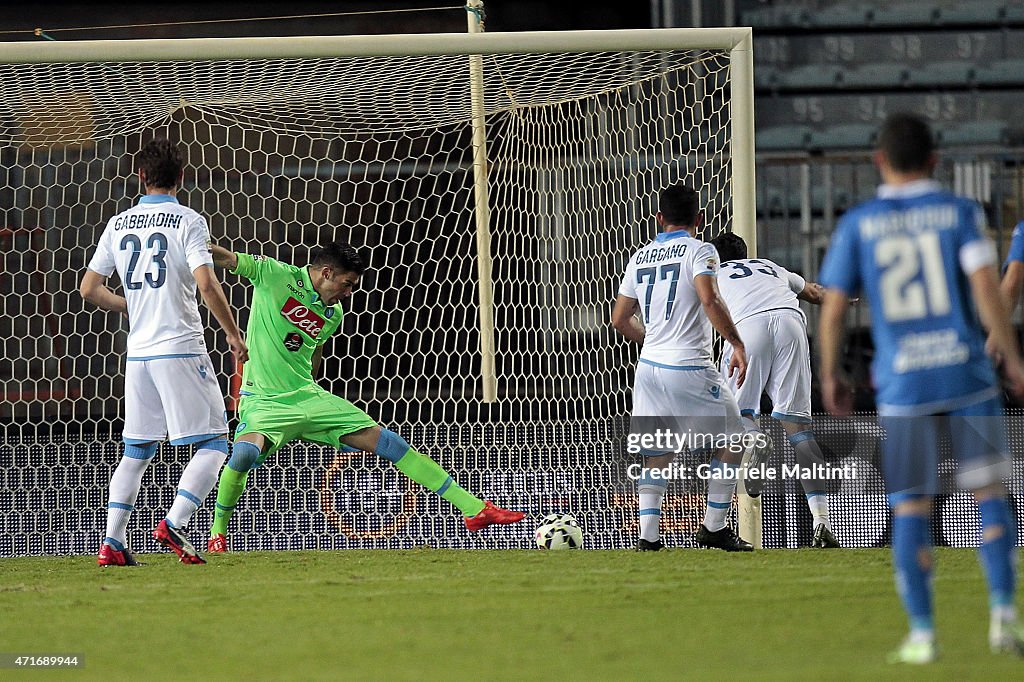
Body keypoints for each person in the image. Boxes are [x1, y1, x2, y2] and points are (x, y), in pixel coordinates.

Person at [818, 112, 1024, 663]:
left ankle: (922, 635)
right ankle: (1003, 615)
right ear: (935, 159)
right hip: (964, 374)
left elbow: (833, 307)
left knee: (910, 504)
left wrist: (830, 374)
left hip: (903, 384)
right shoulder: (959, 212)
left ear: (878, 161)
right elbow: (987, 287)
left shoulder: (858, 224)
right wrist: (1010, 355)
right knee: (988, 495)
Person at [205, 241, 524, 551]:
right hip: (264, 400)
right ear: (326, 273)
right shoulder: (274, 274)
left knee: (390, 443)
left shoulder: (333, 314)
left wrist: (313, 399)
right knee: (244, 456)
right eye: (347, 284)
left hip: (308, 396)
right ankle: (218, 534)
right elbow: (228, 259)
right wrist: (196, 244)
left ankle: (473, 508)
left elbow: (313, 352)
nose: (349, 293)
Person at [80, 138, 248, 566]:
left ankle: (113, 543)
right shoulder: (189, 220)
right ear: (182, 177)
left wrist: (131, 306)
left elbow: (90, 289)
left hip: (138, 356)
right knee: (214, 442)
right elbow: (207, 284)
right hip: (179, 347)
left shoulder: (118, 224)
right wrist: (232, 333)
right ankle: (176, 521)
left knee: (136, 450)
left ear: (139, 176)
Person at [612, 183, 753, 552]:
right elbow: (709, 298)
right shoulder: (701, 249)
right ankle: (714, 527)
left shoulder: (640, 256)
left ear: (659, 218)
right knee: (735, 438)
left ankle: (648, 538)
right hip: (689, 364)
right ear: (699, 218)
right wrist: (736, 343)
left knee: (657, 452)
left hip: (650, 368)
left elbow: (619, 319)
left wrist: (654, 342)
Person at [709, 232, 839, 549]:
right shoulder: (770, 266)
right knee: (801, 432)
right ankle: (821, 523)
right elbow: (813, 291)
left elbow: (704, 303)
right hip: (791, 325)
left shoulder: (711, 273)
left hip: (746, 328)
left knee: (736, 423)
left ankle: (754, 442)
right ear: (746, 253)